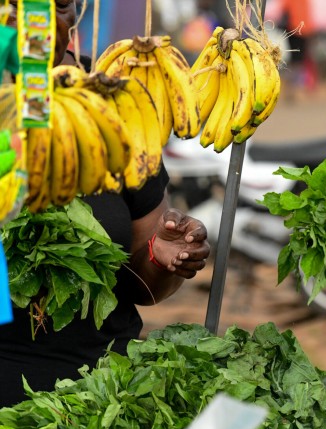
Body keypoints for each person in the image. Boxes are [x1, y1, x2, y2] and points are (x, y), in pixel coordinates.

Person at [0, 0, 211, 407]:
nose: (38, 18)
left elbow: (143, 284)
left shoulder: (108, 107)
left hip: (100, 402)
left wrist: (161, 254)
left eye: (59, 5)